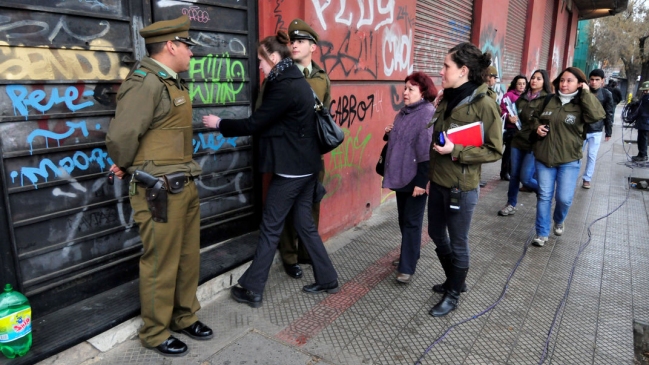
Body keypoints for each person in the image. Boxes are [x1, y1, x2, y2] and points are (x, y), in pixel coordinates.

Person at [202, 31, 339, 308]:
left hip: (291, 171)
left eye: (262, 62)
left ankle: (252, 289)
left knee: (270, 227)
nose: (260, 67)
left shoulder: (284, 85)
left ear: (274, 58)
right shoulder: (295, 80)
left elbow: (255, 124)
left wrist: (219, 123)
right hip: (306, 167)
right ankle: (328, 278)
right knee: (304, 224)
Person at [105, 15, 213, 357]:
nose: (191, 54)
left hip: (183, 183)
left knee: (186, 258)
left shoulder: (172, 82)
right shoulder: (145, 82)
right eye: (188, 47)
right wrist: (124, 164)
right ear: (171, 46)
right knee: (161, 262)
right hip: (159, 191)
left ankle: (184, 316)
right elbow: (122, 135)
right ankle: (154, 332)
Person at [427, 42, 503, 317]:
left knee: (458, 241)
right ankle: (454, 279)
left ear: (463, 70)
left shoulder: (485, 105)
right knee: (436, 233)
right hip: (437, 181)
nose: (441, 71)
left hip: (461, 187)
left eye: (446, 66)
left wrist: (455, 150)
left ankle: (454, 293)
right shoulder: (447, 98)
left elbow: (495, 150)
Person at [277, 18, 332, 280]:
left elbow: (326, 114)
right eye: (292, 41)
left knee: (312, 202)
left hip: (313, 153)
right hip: (289, 154)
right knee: (288, 206)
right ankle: (289, 256)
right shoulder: (283, 74)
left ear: (312, 47)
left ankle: (306, 252)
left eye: (300, 41)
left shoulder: (322, 77)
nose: (294, 45)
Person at [531, 67, 606, 247]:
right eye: (562, 80)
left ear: (579, 84)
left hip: (569, 159)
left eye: (570, 81)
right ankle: (542, 233)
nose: (564, 84)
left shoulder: (583, 103)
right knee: (544, 196)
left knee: (564, 199)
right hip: (544, 157)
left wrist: (586, 93)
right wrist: (536, 127)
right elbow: (533, 116)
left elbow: (598, 115)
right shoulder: (549, 100)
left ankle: (559, 219)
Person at [382, 72, 436, 284]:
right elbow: (402, 139)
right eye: (405, 88)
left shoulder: (426, 114)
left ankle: (407, 267)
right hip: (401, 174)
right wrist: (389, 133)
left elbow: (426, 152)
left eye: (410, 89)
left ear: (422, 92)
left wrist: (422, 183)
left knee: (412, 223)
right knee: (404, 220)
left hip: (416, 178)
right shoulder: (404, 113)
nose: (405, 92)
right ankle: (410, 254)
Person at [498, 70, 552, 216]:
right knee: (514, 175)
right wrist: (511, 118)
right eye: (533, 77)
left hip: (533, 143)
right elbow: (515, 114)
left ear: (544, 81)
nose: (534, 80)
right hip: (518, 140)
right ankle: (511, 204)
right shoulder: (522, 98)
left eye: (538, 79)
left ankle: (545, 193)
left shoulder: (548, 99)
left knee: (526, 178)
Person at [582, 69, 614, 189]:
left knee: (592, 156)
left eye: (597, 80)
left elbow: (609, 113)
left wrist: (608, 131)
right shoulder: (583, 92)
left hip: (596, 130)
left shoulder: (606, 94)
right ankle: (571, 176)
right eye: (592, 79)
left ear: (602, 81)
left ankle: (587, 179)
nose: (594, 82)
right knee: (576, 155)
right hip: (581, 129)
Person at [499, 75, 528, 181]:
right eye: (519, 84)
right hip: (511, 128)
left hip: (523, 129)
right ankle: (505, 172)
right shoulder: (509, 95)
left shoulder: (527, 96)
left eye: (524, 84)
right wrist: (508, 117)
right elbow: (502, 110)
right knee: (509, 151)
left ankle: (513, 172)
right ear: (515, 84)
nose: (522, 86)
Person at [630, 81, 649, 162]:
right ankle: (641, 154)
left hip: (646, 122)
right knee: (640, 139)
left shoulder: (647, 98)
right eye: (644, 90)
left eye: (646, 90)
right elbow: (639, 105)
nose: (644, 92)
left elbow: (641, 109)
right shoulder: (644, 97)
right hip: (642, 122)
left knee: (643, 139)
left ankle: (643, 155)